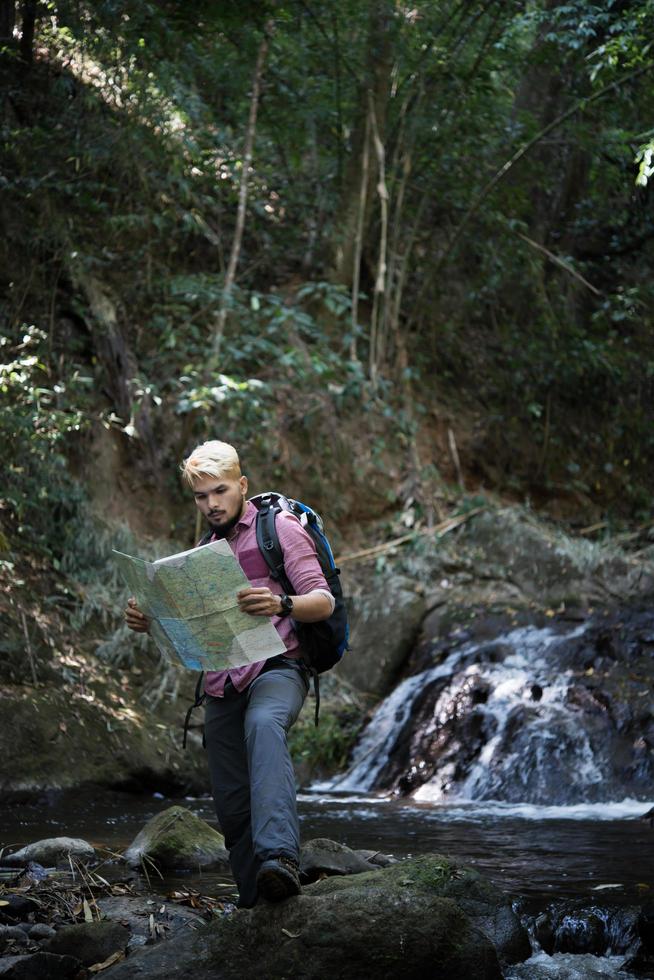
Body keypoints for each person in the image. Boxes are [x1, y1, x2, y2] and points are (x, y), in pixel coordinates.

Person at [124, 440, 334, 908]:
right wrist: (150, 619)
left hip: (281, 666)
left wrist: (282, 603)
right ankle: (253, 901)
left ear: (241, 486)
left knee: (264, 725)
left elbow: (323, 601)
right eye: (201, 496)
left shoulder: (278, 529)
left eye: (219, 492)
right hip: (222, 681)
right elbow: (191, 627)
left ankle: (280, 859)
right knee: (231, 799)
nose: (212, 504)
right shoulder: (204, 551)